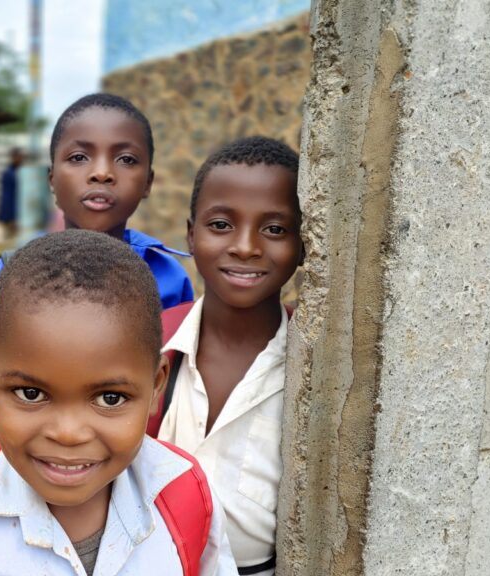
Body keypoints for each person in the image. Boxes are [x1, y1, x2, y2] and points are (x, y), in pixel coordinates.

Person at [0, 230, 237, 575]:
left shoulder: (186, 499)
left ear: (157, 386)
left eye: (110, 398)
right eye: (31, 394)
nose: (68, 433)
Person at [0, 93, 195, 446]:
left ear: (148, 183)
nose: (101, 172)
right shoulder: (10, 275)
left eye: (126, 159)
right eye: (79, 157)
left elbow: (172, 387)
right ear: (51, 179)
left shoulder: (169, 279)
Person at [155, 137, 303, 576]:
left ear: (305, 243)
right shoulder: (152, 340)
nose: (245, 246)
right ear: (190, 233)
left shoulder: (314, 361)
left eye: (274, 229)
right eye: (221, 225)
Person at [0, 147, 23, 238]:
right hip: (11, 213)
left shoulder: (24, 171)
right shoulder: (8, 173)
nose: (20, 159)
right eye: (18, 156)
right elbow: (7, 197)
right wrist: (10, 217)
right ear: (13, 157)